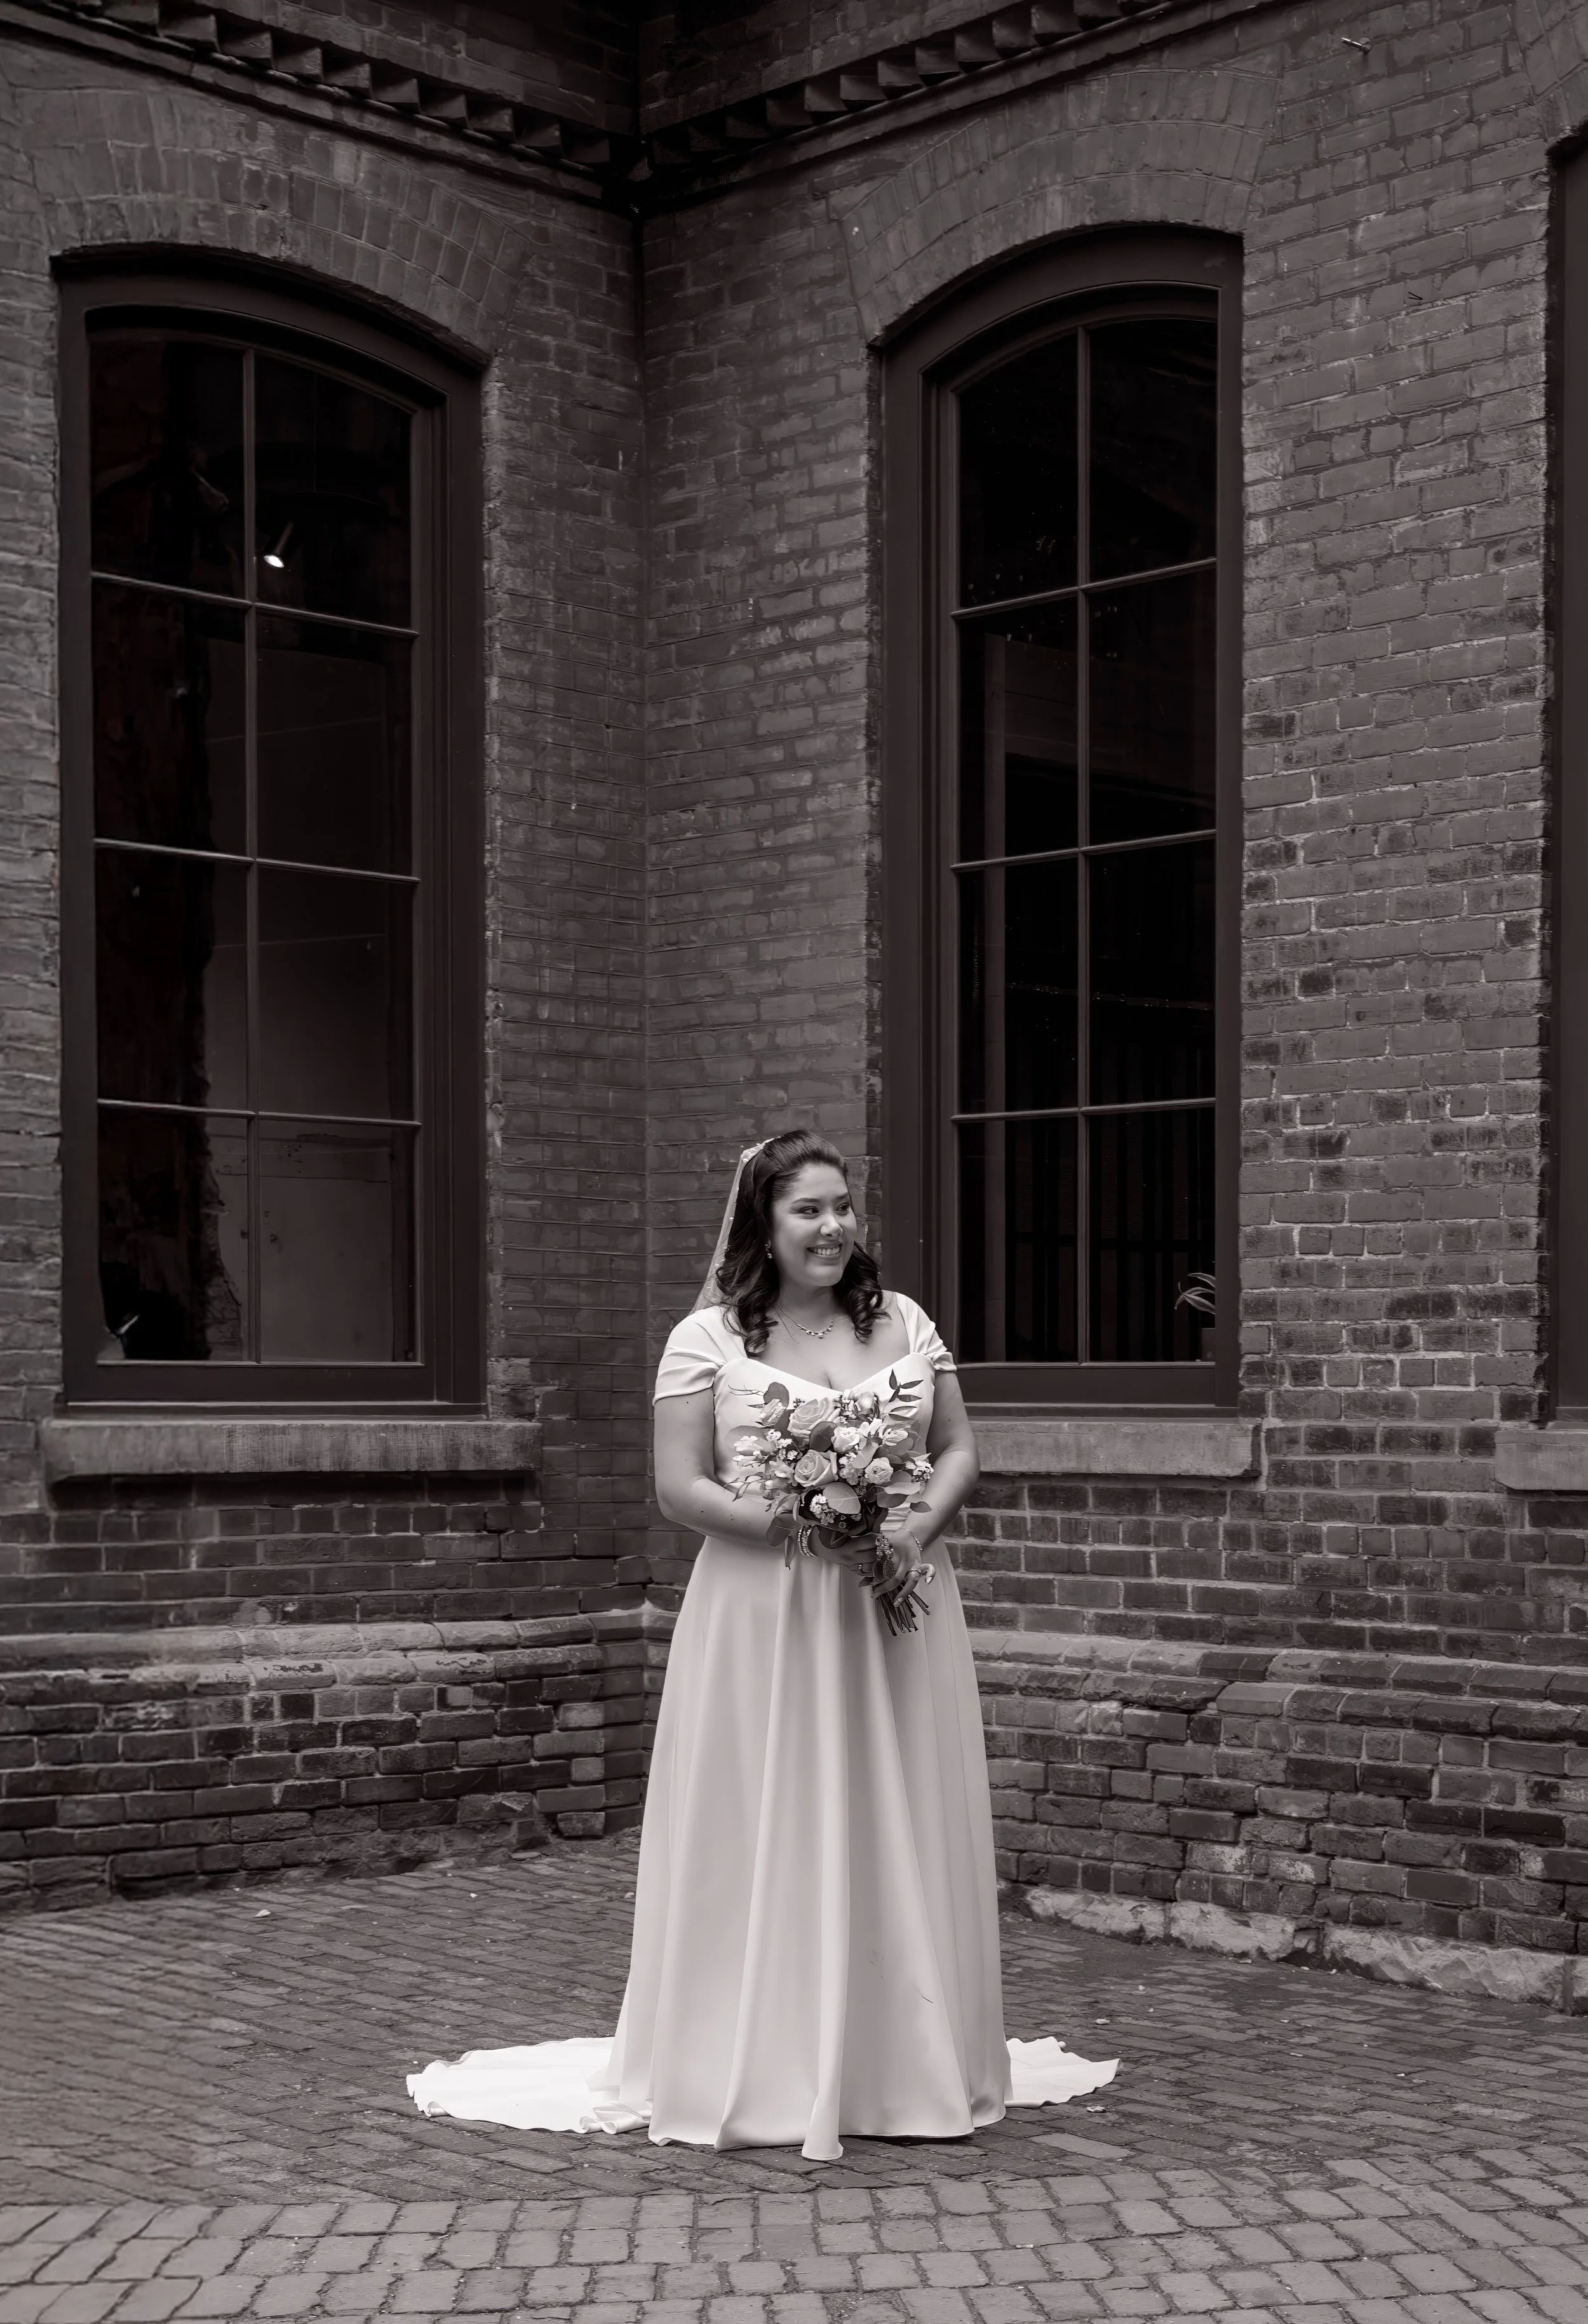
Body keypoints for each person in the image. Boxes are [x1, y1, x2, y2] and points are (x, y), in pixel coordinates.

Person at [409, 1130, 1115, 2159]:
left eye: (843, 1207)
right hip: (765, 1612)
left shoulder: (903, 1322)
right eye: (809, 1210)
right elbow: (679, 1487)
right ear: (764, 1224)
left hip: (893, 1605)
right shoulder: (707, 1340)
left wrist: (911, 1528)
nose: (834, 1227)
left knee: (896, 1807)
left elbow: (959, 1446)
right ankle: (767, 2054)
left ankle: (898, 2054)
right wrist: (800, 1522)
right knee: (770, 1811)